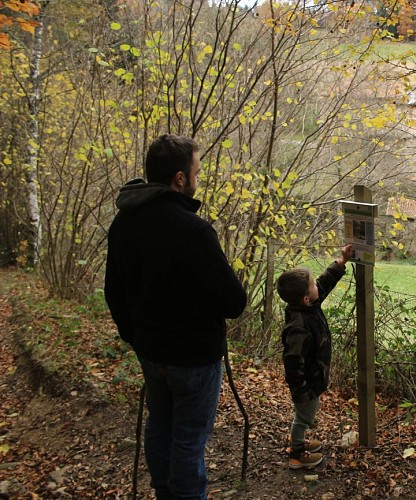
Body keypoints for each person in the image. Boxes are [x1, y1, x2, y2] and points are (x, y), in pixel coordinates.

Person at [104, 134, 247, 499]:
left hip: (150, 352)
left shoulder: (124, 222)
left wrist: (134, 335)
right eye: (196, 171)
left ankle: (164, 493)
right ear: (180, 178)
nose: (199, 178)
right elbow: (233, 301)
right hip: (194, 359)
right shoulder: (194, 231)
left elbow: (114, 291)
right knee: (188, 439)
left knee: (160, 427)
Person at [276, 244, 355, 469]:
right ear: (305, 299)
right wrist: (300, 391)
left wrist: (341, 261)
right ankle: (297, 455)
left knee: (304, 417)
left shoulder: (307, 306)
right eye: (311, 285)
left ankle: (298, 441)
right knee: (304, 417)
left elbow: (325, 282)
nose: (315, 285)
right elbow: (292, 362)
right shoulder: (298, 327)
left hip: (313, 378)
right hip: (307, 384)